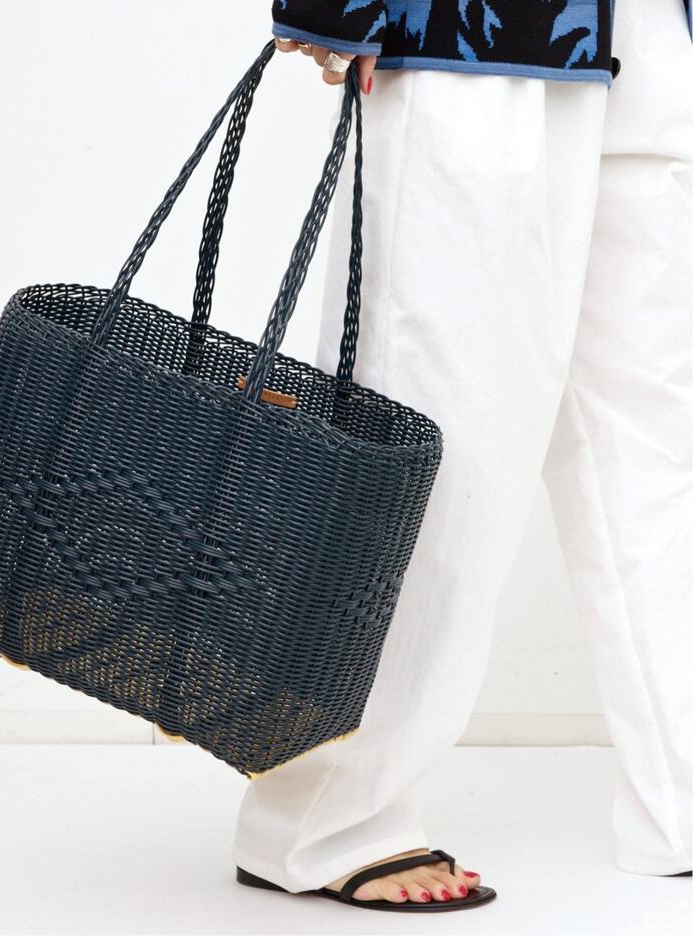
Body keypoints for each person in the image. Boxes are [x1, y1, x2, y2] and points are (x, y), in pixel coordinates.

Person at [231, 0, 693, 913]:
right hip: (471, 30)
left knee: (654, 439)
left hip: (653, 33)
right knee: (434, 432)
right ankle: (323, 813)